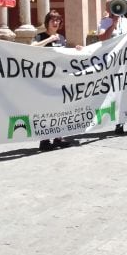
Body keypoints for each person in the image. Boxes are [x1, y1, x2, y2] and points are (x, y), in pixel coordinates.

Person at [97, 0, 127, 134]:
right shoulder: (104, 22)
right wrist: (112, 25)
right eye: (111, 6)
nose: (114, 9)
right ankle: (119, 124)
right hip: (113, 63)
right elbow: (102, 38)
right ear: (107, 8)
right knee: (118, 93)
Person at [32, 10, 77, 151]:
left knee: (59, 109)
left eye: (58, 20)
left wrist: (77, 50)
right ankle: (44, 141)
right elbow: (31, 48)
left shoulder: (62, 38)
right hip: (44, 81)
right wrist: (49, 40)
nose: (56, 23)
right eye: (53, 20)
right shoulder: (40, 36)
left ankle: (58, 137)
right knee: (45, 110)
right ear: (47, 22)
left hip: (59, 80)